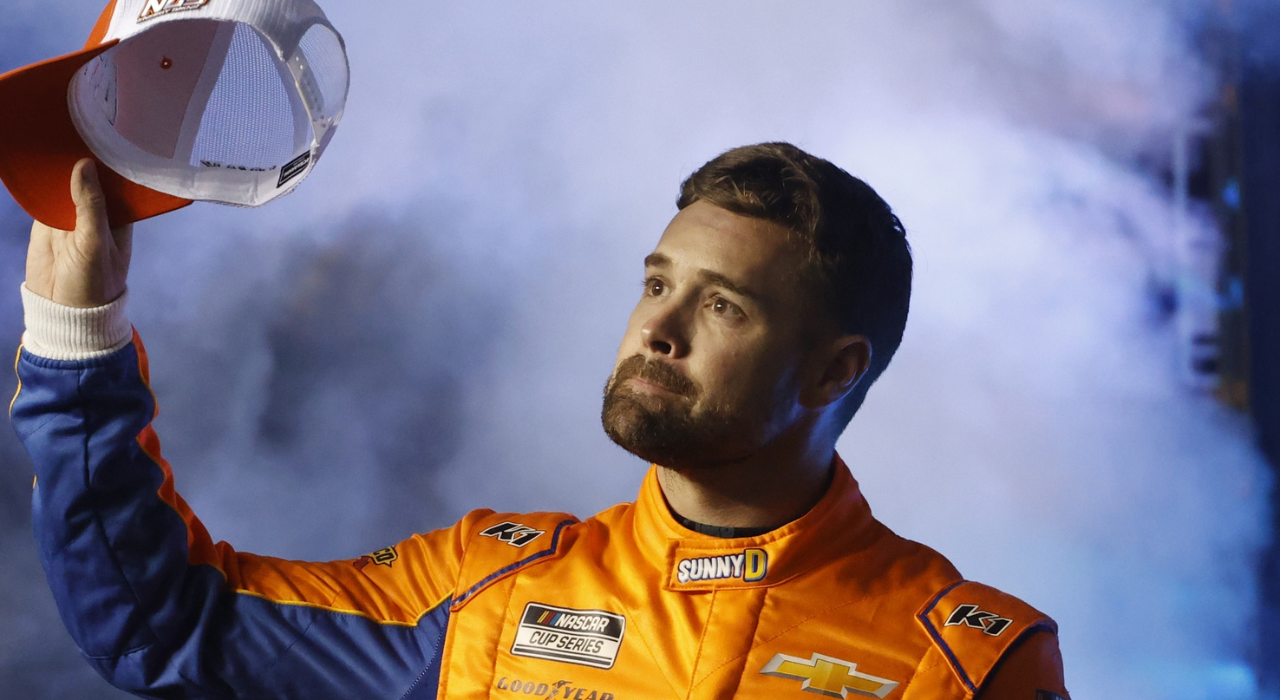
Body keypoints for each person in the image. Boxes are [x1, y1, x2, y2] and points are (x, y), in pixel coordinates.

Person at [12, 143, 1070, 699]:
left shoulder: (966, 660)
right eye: (656, 283)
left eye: (721, 306)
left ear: (834, 371)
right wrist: (76, 330)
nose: (655, 329)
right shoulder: (490, 590)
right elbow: (164, 626)